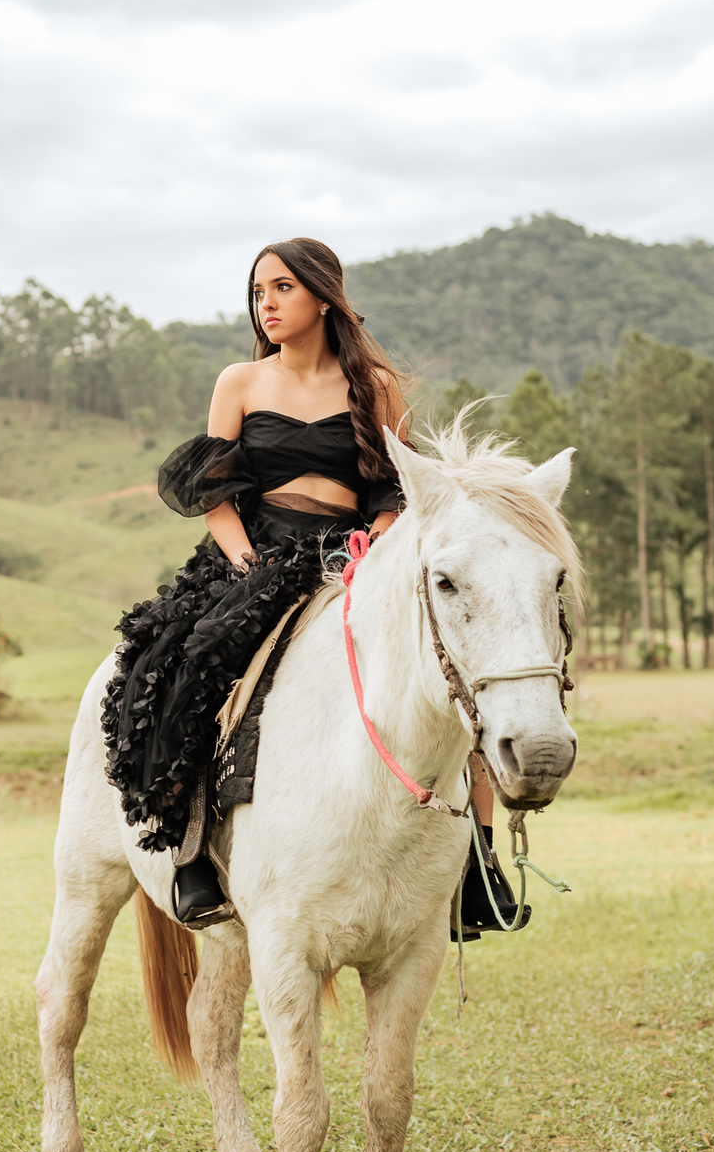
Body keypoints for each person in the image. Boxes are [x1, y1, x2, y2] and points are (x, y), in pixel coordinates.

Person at [101, 236, 511, 927]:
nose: (267, 303)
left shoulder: (374, 387)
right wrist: (243, 560)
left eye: (283, 288)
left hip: (357, 557)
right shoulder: (240, 382)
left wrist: (375, 547)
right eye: (259, 291)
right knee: (195, 663)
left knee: (449, 674)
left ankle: (480, 864)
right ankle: (194, 853)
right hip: (256, 555)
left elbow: (394, 488)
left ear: (323, 296)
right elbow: (215, 491)